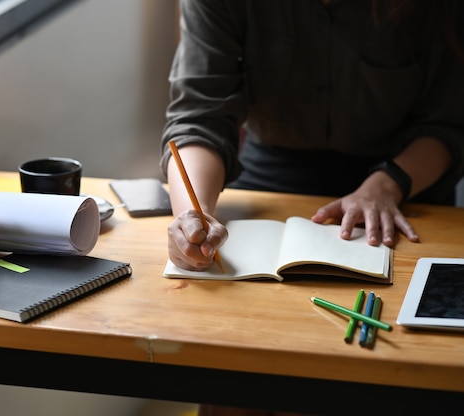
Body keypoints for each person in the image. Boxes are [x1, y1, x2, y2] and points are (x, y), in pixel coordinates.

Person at [160, 1, 464, 414]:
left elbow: (449, 123)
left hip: (406, 176)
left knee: (401, 360)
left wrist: (387, 185)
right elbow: (200, 116)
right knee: (234, 350)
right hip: (272, 171)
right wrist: (191, 214)